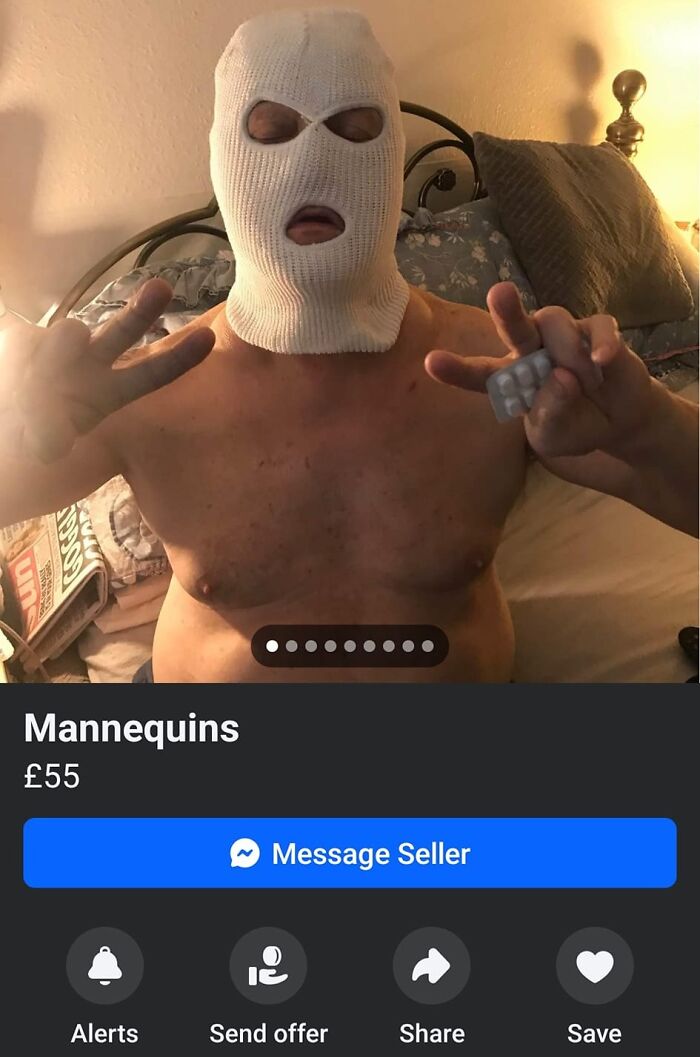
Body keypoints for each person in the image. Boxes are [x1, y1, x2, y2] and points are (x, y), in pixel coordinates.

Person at [0, 9, 697, 683]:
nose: (313, 161)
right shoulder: (139, 389)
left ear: (389, 161)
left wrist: (650, 424)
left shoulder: (501, 373)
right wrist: (10, 430)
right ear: (226, 162)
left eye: (353, 130)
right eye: (272, 132)